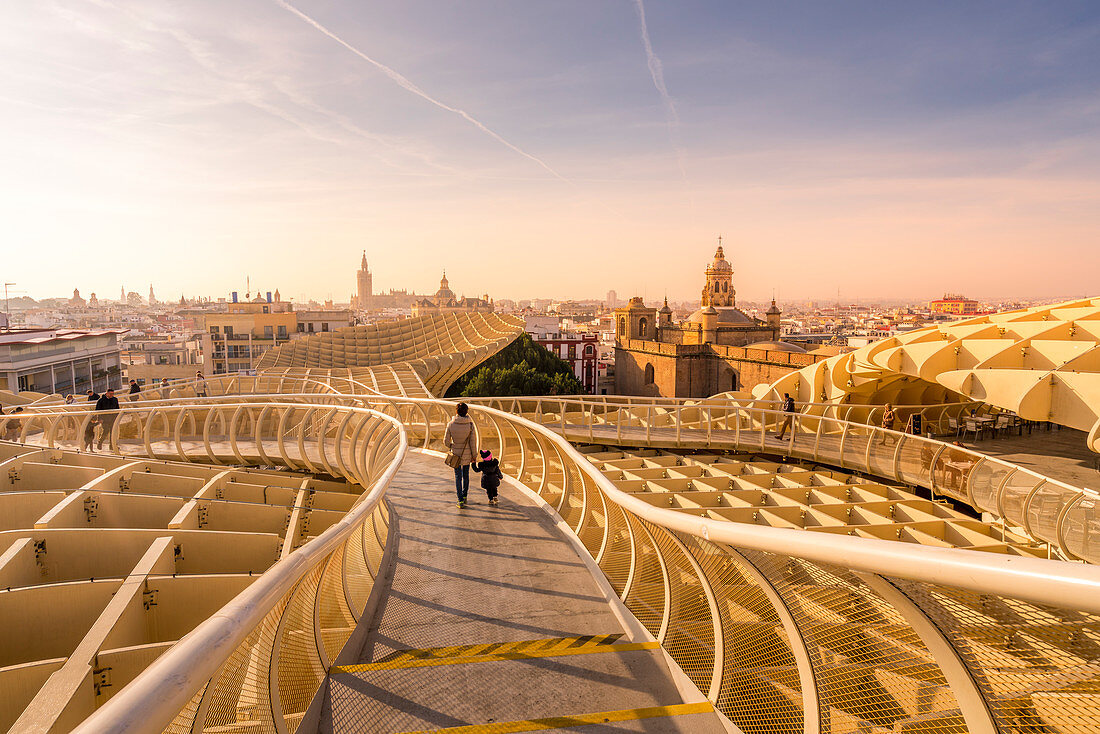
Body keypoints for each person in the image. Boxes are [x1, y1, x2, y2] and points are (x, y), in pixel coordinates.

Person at [443, 402, 478, 508]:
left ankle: (460, 500)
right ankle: (465, 496)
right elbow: (473, 442)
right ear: (466, 411)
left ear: (456, 411)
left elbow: (445, 441)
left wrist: (452, 446)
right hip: (467, 454)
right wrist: (474, 455)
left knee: (458, 476)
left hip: (456, 454)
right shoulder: (470, 425)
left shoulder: (451, 424)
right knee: (466, 475)